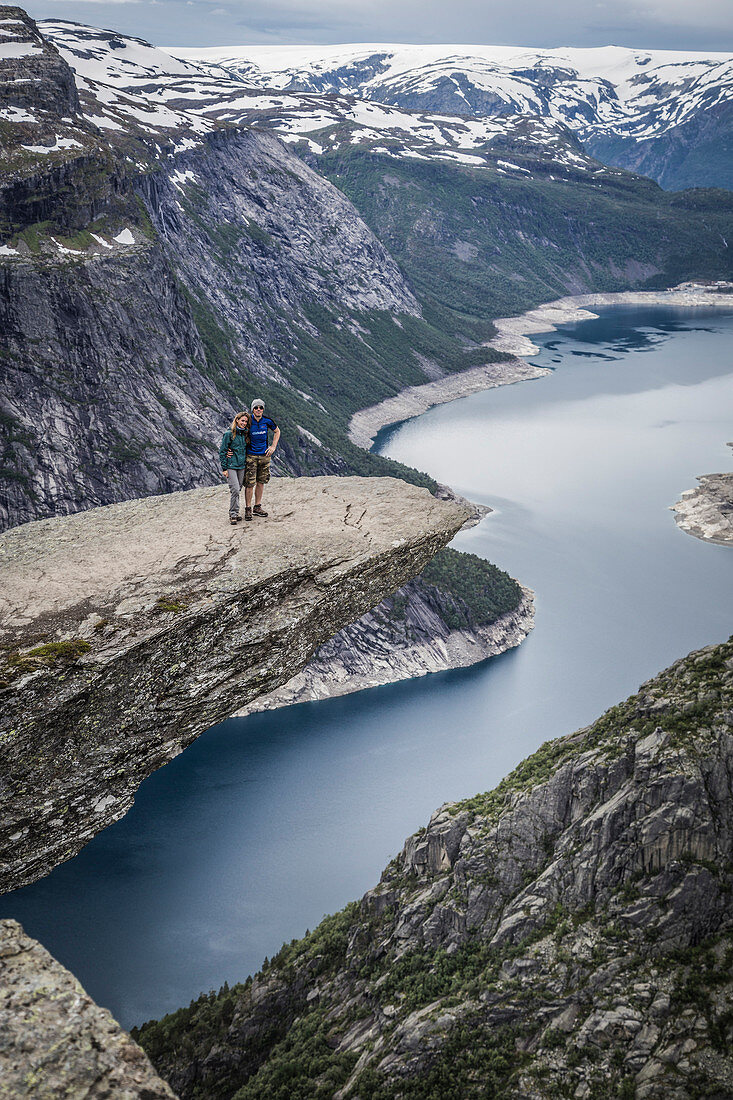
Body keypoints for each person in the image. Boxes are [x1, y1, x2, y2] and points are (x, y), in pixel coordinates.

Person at [244, 398, 280, 520]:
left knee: (261, 482)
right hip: (251, 456)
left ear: (263, 409)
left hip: (264, 456)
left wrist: (273, 446)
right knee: (249, 483)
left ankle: (257, 506)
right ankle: (248, 509)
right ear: (252, 409)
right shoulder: (248, 421)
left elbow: (277, 431)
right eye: (256, 407)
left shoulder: (267, 421)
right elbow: (236, 431)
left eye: (261, 407)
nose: (258, 409)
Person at [219, 411, 250, 525]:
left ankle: (236, 513)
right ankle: (233, 514)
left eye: (246, 421)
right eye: (242, 420)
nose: (244, 423)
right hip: (231, 466)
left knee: (238, 490)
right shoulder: (229, 434)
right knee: (235, 489)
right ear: (237, 420)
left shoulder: (245, 434)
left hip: (241, 466)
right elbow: (222, 451)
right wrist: (224, 468)